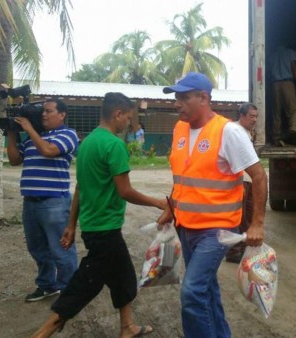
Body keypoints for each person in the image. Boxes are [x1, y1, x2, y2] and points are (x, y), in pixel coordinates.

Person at [31, 92, 167, 338]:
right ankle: (43, 332)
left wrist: (72, 225)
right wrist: (159, 202)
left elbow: (80, 188)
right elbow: (124, 191)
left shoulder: (88, 143)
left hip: (95, 227)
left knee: (123, 278)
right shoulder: (114, 145)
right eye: (128, 117)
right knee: (84, 286)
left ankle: (127, 327)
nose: (128, 122)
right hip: (105, 230)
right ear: (118, 114)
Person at [158, 72, 268, 338]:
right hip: (186, 227)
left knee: (192, 292)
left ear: (204, 98)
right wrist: (170, 208)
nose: (177, 104)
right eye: (176, 98)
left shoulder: (228, 132)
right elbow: (182, 177)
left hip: (217, 231)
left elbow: (258, 175)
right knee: (206, 289)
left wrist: (257, 224)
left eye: (184, 97)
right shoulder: (180, 129)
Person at [6, 98, 79, 303]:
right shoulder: (33, 139)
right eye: (43, 112)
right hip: (30, 203)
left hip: (54, 202)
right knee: (38, 249)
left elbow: (48, 151)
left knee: (61, 249)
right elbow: (13, 160)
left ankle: (70, 291)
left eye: (49, 111)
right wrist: (11, 134)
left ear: (62, 114)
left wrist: (29, 129)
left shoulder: (68, 134)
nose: (44, 115)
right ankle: (47, 285)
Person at [225, 102, 259, 263]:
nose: (254, 120)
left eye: (256, 117)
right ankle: (234, 251)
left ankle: (244, 248)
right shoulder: (235, 131)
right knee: (240, 218)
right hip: (241, 181)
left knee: (248, 217)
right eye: (251, 116)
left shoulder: (247, 132)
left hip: (248, 180)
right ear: (242, 116)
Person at [270, 45, 296, 145]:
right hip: (288, 83)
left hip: (275, 84)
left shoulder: (272, 56)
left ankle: (276, 137)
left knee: (277, 112)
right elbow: (294, 68)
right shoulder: (290, 53)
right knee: (293, 109)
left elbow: (269, 71)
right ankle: (293, 131)